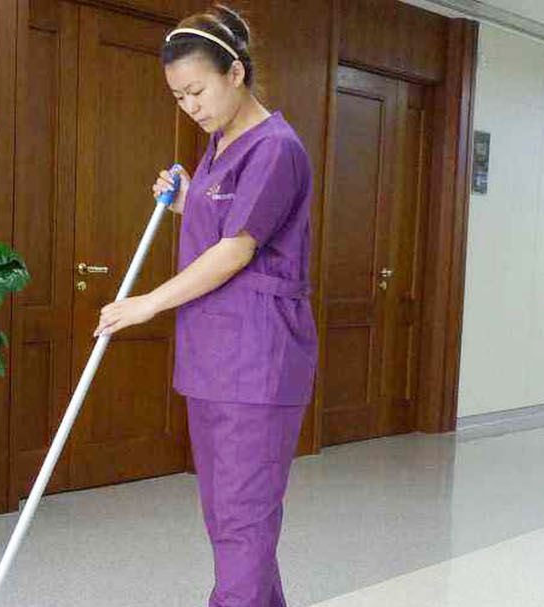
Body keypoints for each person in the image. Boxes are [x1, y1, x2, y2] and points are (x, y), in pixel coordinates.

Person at [92, 5, 317, 606]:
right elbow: (227, 224)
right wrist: (187, 200)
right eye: (178, 96)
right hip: (214, 356)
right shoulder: (220, 146)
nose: (189, 106)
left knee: (243, 521)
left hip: (257, 359)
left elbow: (237, 251)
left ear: (235, 73)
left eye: (197, 91)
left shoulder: (275, 148)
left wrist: (147, 304)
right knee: (229, 519)